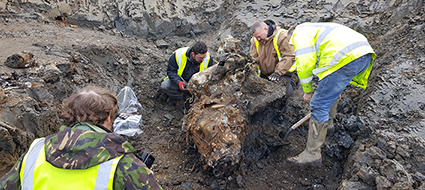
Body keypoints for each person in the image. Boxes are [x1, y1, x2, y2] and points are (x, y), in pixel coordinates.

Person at [0, 85, 163, 190]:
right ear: (108, 118)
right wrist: (145, 174)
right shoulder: (122, 162)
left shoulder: (35, 151)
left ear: (72, 115)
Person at [286, 22, 376, 166]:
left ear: (291, 37)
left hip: (345, 58)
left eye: (292, 46)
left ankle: (311, 155)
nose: (293, 48)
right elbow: (324, 66)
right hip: (362, 55)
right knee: (329, 94)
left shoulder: (299, 34)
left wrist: (308, 91)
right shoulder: (315, 29)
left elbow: (305, 64)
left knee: (319, 104)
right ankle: (329, 125)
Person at [250, 19, 298, 96]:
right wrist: (253, 71)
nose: (258, 39)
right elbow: (253, 59)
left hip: (283, 73)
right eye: (256, 37)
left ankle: (294, 82)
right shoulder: (255, 40)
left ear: (266, 29)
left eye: (259, 36)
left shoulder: (282, 36)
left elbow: (290, 56)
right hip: (264, 75)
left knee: (283, 94)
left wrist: (278, 72)